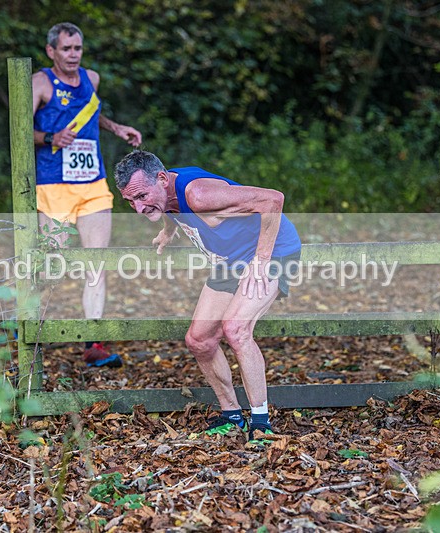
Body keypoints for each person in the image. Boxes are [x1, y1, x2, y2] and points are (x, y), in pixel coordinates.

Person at [113, 150, 301, 441]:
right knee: (199, 340)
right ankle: (232, 415)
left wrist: (261, 261)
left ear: (162, 179)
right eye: (130, 202)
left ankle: (261, 423)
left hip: (273, 251)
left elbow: (273, 199)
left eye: (141, 197)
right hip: (230, 259)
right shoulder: (165, 190)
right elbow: (168, 206)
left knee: (236, 329)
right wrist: (167, 229)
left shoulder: (199, 194)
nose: (138, 208)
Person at [33, 22, 142, 367]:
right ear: (51, 51)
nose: (73, 55)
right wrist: (50, 138)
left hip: (92, 185)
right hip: (53, 186)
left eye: (77, 48)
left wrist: (117, 128)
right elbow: (20, 128)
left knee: (97, 264)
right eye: (66, 49)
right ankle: (30, 328)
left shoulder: (91, 79)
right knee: (52, 263)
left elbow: (93, 115)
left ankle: (93, 343)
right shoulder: (40, 82)